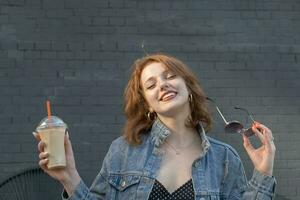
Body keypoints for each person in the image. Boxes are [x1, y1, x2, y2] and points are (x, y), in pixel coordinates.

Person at [34, 53, 276, 200]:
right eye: (151, 85)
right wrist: (70, 178)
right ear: (148, 104)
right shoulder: (122, 151)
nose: (162, 85)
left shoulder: (224, 158)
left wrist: (263, 174)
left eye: (170, 76)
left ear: (188, 88)